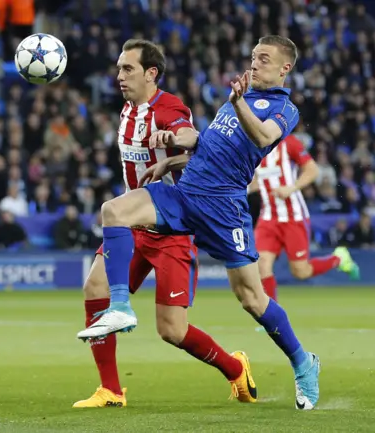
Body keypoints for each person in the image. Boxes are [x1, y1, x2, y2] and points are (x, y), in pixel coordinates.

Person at [78, 35, 321, 410]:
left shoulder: (283, 110)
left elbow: (260, 138)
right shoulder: (236, 98)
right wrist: (172, 154)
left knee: (252, 298)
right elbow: (204, 143)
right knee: (114, 210)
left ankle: (304, 363)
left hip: (224, 210)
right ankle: (121, 306)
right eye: (254, 56)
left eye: (264, 59)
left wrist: (238, 102)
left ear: (284, 68)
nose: (254, 63)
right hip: (185, 195)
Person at [249, 134, 359, 302]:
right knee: (261, 264)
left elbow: (312, 170)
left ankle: (338, 258)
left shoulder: (288, 142)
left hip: (294, 216)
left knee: (300, 271)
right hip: (268, 217)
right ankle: (273, 319)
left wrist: (291, 188)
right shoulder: (252, 145)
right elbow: (255, 179)